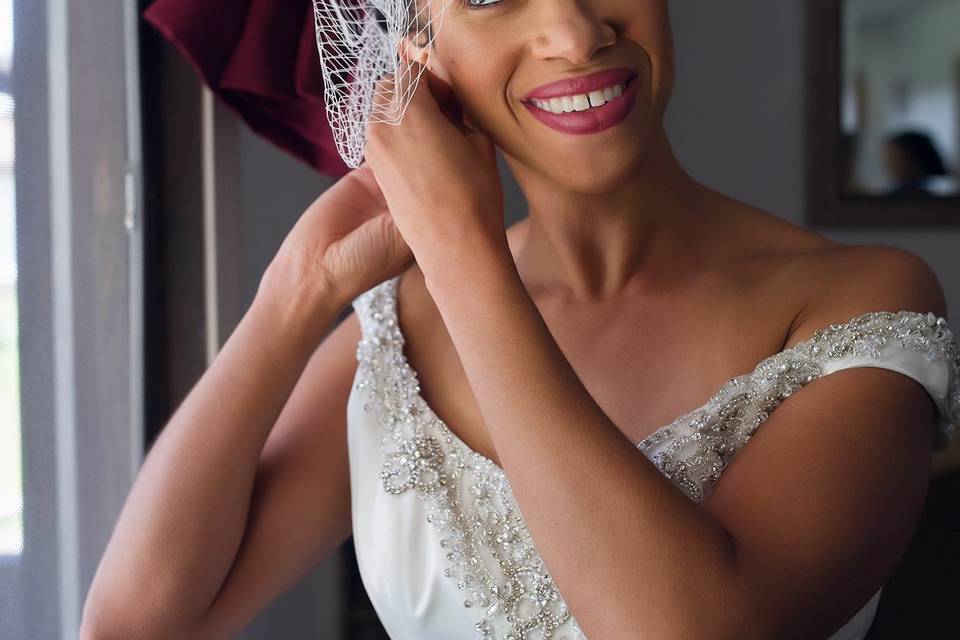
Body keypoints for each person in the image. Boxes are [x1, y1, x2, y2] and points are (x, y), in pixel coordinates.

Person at [81, 1, 959, 639]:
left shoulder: (861, 298)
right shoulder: (400, 332)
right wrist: (293, 296)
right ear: (414, 42)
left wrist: (461, 250)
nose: (576, 34)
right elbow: (134, 625)